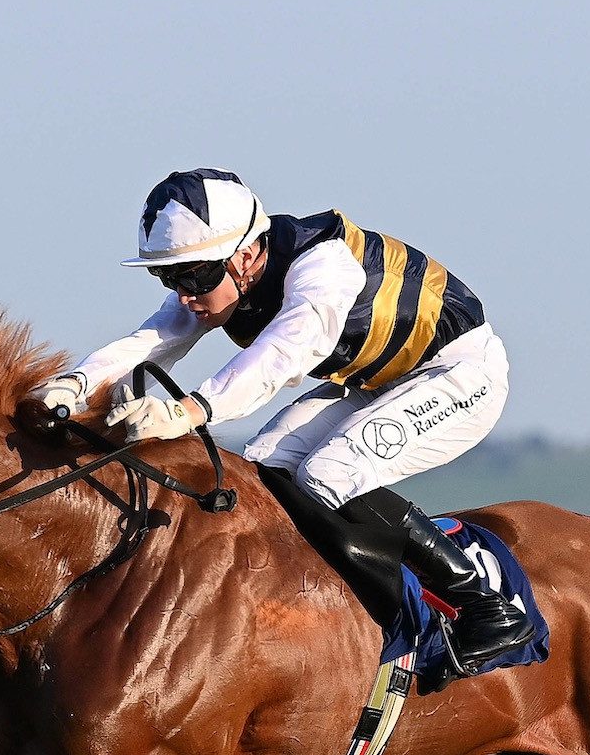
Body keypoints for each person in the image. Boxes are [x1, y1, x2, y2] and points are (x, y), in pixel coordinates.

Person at [30, 168, 537, 673]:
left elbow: (280, 356)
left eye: (193, 277)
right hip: (378, 383)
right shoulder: (223, 274)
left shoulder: (323, 269)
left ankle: (484, 607)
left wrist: (186, 411)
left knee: (329, 473)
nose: (184, 294)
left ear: (246, 255)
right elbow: (155, 339)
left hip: (461, 375)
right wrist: (74, 385)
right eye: (168, 277)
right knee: (262, 466)